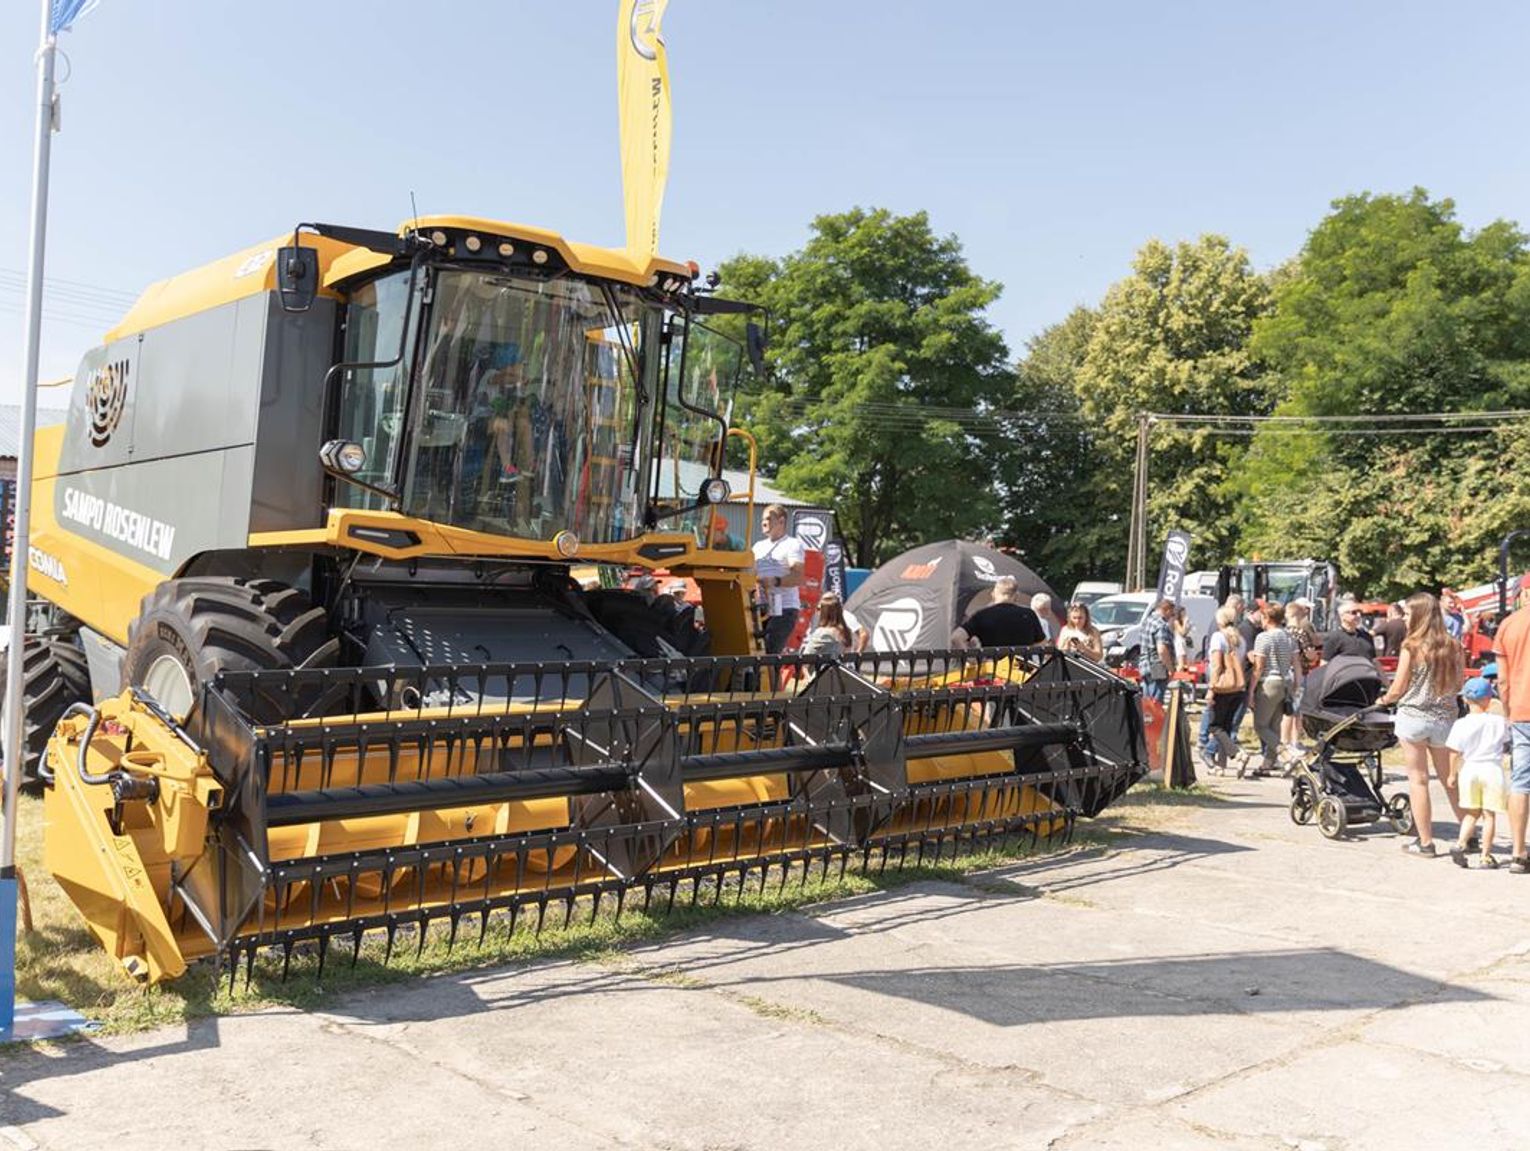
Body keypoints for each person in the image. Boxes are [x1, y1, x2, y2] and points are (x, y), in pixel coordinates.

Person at [1380, 592, 1466, 857]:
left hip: (1414, 718)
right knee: (1450, 780)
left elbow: (1399, 686)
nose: (1404, 618)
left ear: (1418, 615)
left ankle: (1425, 842)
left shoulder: (1412, 646)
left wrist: (1384, 699)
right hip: (1444, 720)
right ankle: (1468, 833)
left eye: (1407, 614)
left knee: (1418, 781)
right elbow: (1460, 684)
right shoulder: (1453, 645)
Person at [1445, 676, 1509, 869]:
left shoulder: (1461, 724)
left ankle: (1460, 844)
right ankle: (1485, 856)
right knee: (1489, 815)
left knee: (1471, 813)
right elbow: (1506, 741)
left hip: (1469, 770)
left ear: (1464, 699)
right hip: (1492, 769)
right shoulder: (1498, 722)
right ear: (1490, 699)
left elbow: (1454, 753)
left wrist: (1451, 774)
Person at [1492, 575, 1530, 873]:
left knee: (1520, 782)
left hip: (1521, 711)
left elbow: (1502, 679)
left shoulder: (1508, 625)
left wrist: (1507, 708)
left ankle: (1518, 853)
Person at [1247, 602, 1299, 776]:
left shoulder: (1264, 637)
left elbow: (1259, 666)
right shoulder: (1289, 636)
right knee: (1274, 725)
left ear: (1267, 618)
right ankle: (1267, 763)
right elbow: (1296, 662)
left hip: (1268, 682)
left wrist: (1251, 691)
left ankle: (1285, 754)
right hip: (1285, 681)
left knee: (1260, 726)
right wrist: (1296, 684)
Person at [751, 504, 806, 654]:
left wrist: (775, 581)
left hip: (784, 608)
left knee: (769, 653)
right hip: (761, 608)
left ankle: (771, 676)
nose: (764, 522)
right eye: (763, 519)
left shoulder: (792, 544)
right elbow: (750, 573)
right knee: (755, 652)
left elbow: (798, 576)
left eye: (768, 519)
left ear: (781, 521)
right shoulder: (758, 546)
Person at [1200, 594, 1248, 758]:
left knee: (1215, 726)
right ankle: (1217, 755)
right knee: (1226, 726)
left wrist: (1211, 688)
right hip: (1238, 687)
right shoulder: (1240, 639)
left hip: (1222, 687)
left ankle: (1235, 753)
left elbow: (1217, 666)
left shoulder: (1218, 637)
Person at [952, 575, 1045, 648]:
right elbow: (1041, 643)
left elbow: (956, 637)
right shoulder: (1029, 614)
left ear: (993, 594)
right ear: (1016, 595)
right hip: (1022, 669)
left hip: (992, 668)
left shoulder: (982, 615)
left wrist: (971, 660)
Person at [1282, 599, 1320, 753]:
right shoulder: (1300, 633)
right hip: (1300, 673)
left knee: (1286, 709)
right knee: (1296, 710)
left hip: (1284, 673)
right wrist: (1315, 655)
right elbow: (1310, 654)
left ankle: (1284, 741)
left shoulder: (1282, 632)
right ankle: (1294, 741)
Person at [1137, 598, 1177, 704]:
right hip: (1157, 668)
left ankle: (1146, 721)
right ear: (1166, 610)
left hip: (1145, 665)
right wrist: (1170, 669)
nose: (1171, 617)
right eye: (1172, 614)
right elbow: (1162, 650)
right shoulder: (1161, 625)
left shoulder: (1147, 622)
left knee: (1147, 704)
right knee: (1156, 704)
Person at [801, 592, 853, 658]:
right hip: (837, 667)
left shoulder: (822, 633)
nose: (816, 612)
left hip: (820, 667)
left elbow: (806, 657)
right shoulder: (846, 631)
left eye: (818, 609)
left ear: (824, 612)